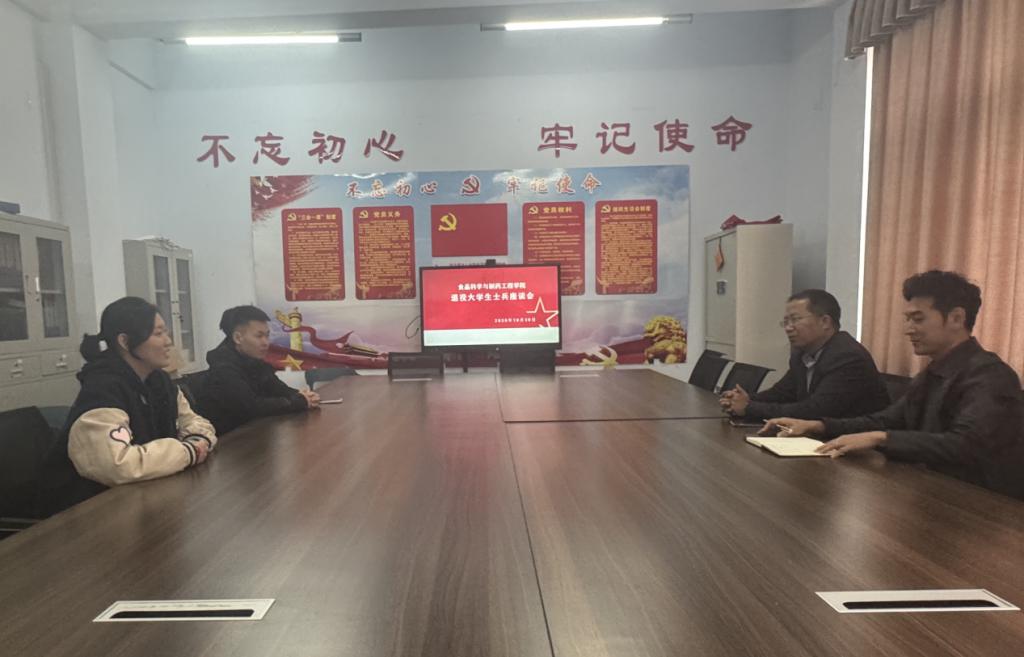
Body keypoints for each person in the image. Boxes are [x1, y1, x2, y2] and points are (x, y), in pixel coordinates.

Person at [765, 271, 1024, 499]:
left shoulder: (990, 376)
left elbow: (965, 445)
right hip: (928, 493)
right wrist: (820, 425)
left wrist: (882, 438)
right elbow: (885, 420)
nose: (908, 329)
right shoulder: (933, 372)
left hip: (979, 508)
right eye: (907, 319)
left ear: (956, 318)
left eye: (918, 319)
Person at [39, 297, 217, 515]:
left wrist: (195, 441)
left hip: (145, 498)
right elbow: (117, 465)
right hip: (88, 512)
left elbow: (196, 423)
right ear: (125, 341)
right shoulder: (103, 389)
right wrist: (188, 451)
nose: (168, 341)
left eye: (166, 332)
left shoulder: (158, 381)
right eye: (158, 334)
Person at [719, 289, 889, 421]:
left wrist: (749, 408)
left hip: (858, 447)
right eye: (786, 322)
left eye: (795, 320)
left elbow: (815, 411)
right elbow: (781, 394)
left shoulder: (847, 356)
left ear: (825, 322)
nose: (788, 328)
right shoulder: (802, 355)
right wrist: (744, 399)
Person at [196, 305, 319, 434]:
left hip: (257, 432)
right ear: (238, 338)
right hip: (230, 439)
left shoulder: (254, 361)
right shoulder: (223, 368)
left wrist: (302, 396)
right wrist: (299, 402)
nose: (266, 342)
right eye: (259, 336)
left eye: (267, 335)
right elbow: (251, 407)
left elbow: (277, 388)